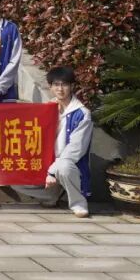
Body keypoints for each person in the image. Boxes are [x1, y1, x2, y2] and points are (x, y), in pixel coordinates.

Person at [19, 66, 93, 218]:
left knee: (63, 166)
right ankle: (51, 195)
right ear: (50, 87)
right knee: (11, 171)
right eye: (56, 85)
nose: (60, 89)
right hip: (47, 162)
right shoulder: (47, 108)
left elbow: (76, 149)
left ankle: (78, 203)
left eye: (64, 84)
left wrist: (51, 171)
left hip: (70, 165)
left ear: (72, 86)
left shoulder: (82, 114)